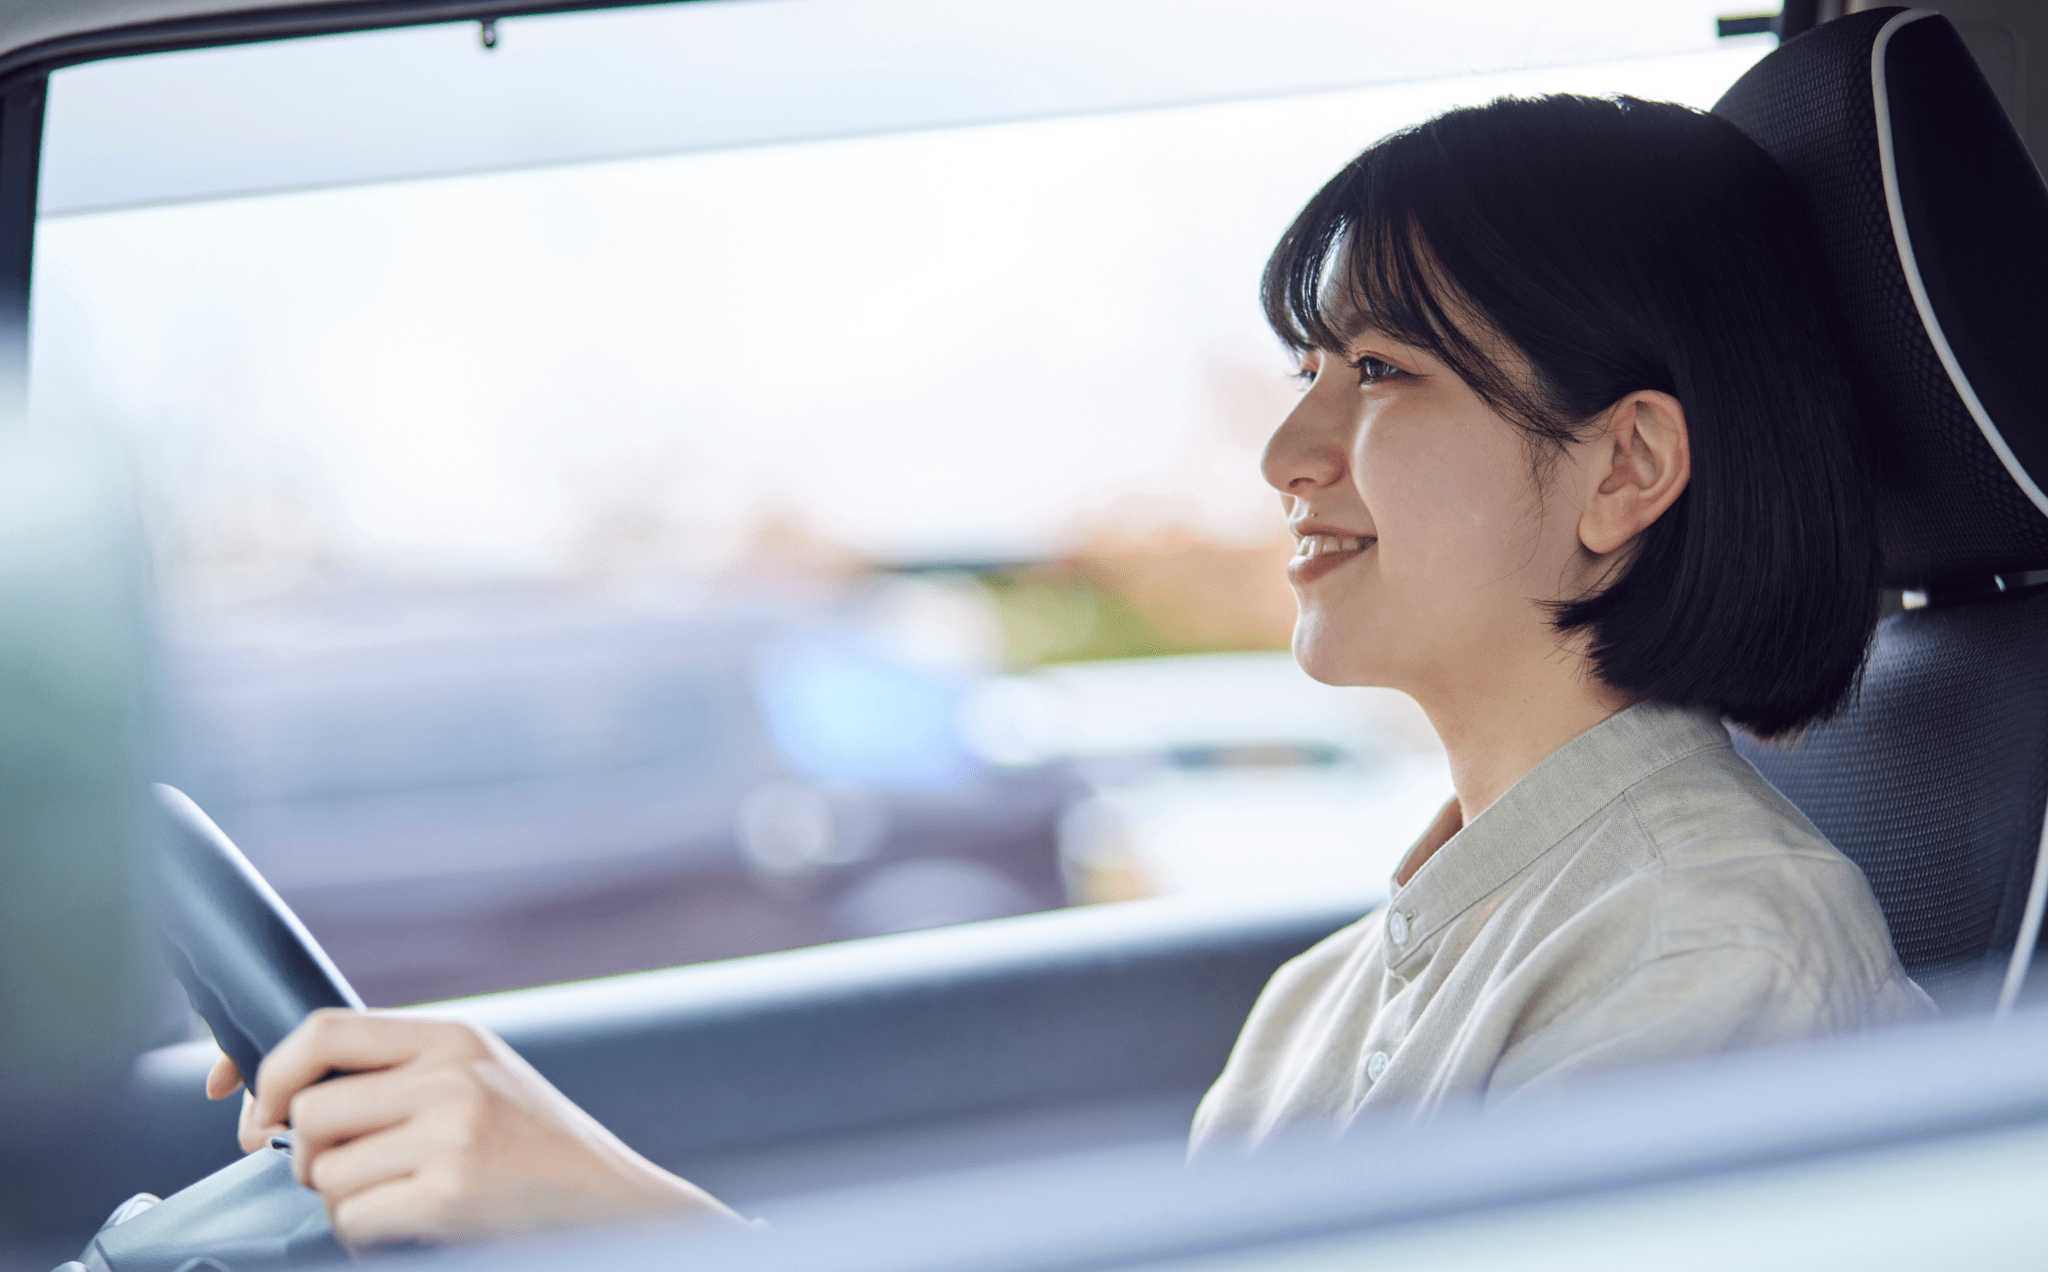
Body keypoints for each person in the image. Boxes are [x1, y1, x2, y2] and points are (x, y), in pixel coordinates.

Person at [204, 93, 1934, 1245]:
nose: (1287, 452)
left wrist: (612, 1215)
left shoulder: (1719, 946)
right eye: (1307, 365)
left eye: (1386, 372)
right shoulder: (1342, 990)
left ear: (1625, 469)